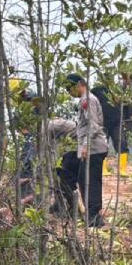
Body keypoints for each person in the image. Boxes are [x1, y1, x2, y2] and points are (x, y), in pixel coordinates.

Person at [49, 73, 109, 227]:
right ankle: (87, 213)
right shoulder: (85, 100)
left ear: (79, 84)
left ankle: (95, 218)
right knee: (81, 179)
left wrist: (84, 146)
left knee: (91, 181)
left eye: (70, 88)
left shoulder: (87, 100)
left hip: (94, 148)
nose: (69, 92)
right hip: (91, 147)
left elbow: (92, 125)